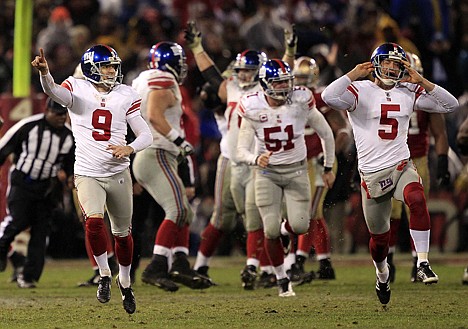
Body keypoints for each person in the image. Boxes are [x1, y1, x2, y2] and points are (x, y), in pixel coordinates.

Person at [322, 42, 459, 305]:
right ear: (376, 63)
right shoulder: (359, 90)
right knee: (380, 240)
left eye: (397, 63)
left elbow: (450, 105)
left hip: (401, 164)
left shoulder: (408, 91)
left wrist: (424, 81)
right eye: (387, 62)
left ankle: (422, 263)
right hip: (372, 174)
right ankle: (382, 273)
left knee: (417, 199)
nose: (391, 67)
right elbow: (329, 97)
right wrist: (352, 74)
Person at [31, 45, 153, 314]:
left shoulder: (125, 94)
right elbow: (53, 91)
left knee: (122, 235)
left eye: (113, 66)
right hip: (87, 172)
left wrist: (130, 148)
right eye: (107, 66)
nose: (112, 71)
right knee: (94, 222)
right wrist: (45, 73)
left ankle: (125, 281)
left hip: (118, 172)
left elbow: (146, 134)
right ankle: (104, 275)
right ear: (91, 68)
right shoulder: (77, 88)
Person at [184, 20, 298, 290]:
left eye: (249, 71)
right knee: (222, 218)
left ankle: (260, 268)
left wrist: (290, 53)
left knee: (255, 218)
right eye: (241, 71)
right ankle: (201, 266)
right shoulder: (233, 87)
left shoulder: (266, 91)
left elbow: (283, 72)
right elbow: (211, 75)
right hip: (230, 159)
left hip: (259, 162)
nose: (243, 75)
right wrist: (198, 47)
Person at [237, 59, 335, 297]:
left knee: (301, 225)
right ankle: (282, 279)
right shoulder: (252, 106)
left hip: (297, 171)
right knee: (269, 230)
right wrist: (254, 159)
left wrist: (329, 166)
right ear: (265, 84)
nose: (284, 87)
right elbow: (241, 149)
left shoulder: (301, 101)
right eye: (278, 83)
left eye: (286, 82)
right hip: (266, 173)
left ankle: (285, 229)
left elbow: (326, 133)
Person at [131, 41, 212, 292]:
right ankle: (157, 265)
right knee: (177, 210)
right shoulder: (164, 80)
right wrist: (180, 141)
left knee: (183, 210)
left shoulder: (141, 79)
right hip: (157, 152)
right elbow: (155, 115)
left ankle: (179, 261)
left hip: (148, 153)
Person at [386, 52, 451, 283]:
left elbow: (439, 131)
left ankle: (418, 261)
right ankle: (388, 260)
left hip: (418, 158)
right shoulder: (381, 94)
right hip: (389, 161)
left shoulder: (422, 97)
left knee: (416, 208)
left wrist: (442, 159)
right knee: (390, 215)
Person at [288, 56, 351, 283]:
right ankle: (325, 263)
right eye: (298, 78)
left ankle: (299, 261)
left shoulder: (321, 97)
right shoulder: (287, 97)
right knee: (314, 213)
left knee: (309, 211)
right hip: (299, 163)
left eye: (305, 78)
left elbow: (342, 129)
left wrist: (332, 153)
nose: (301, 83)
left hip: (319, 161)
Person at [0, 97, 74, 288]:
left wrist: (70, 177)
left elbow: (71, 162)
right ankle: (2, 248)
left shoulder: (69, 136)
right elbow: (4, 147)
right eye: (57, 113)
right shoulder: (28, 126)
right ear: (47, 110)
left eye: (63, 114)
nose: (60, 117)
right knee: (18, 220)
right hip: (22, 181)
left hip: (46, 188)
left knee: (41, 231)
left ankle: (28, 276)